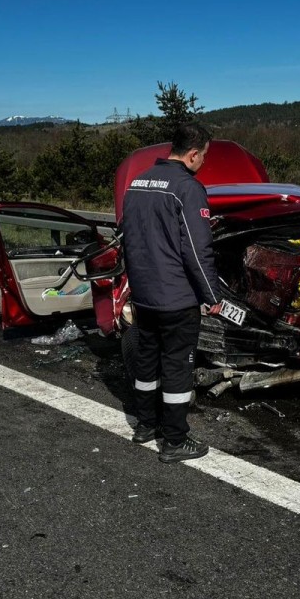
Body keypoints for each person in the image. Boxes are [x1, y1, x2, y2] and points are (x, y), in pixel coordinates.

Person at [121, 123, 221, 463]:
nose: (204, 162)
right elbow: (197, 249)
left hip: (144, 295)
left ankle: (145, 426)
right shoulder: (187, 188)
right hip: (177, 298)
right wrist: (212, 295)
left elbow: (129, 240)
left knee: (147, 362)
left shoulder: (137, 183)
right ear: (193, 154)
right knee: (178, 366)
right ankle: (175, 441)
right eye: (204, 156)